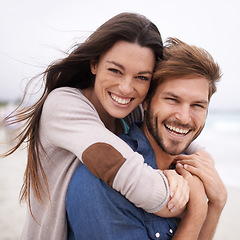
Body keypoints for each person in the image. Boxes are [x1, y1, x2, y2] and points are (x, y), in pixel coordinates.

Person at [1, 13, 198, 240]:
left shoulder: (132, 111)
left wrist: (197, 166)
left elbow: (184, 145)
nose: (126, 88)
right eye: (115, 70)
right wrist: (191, 197)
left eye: (141, 77)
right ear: (94, 63)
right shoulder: (63, 105)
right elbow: (125, 173)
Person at [66, 38, 227, 239]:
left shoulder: (190, 169)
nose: (184, 118)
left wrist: (216, 205)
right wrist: (196, 213)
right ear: (146, 101)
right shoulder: (103, 182)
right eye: (172, 100)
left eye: (197, 105)